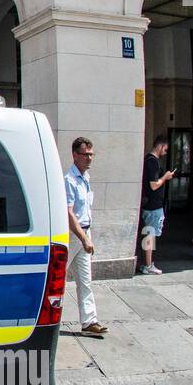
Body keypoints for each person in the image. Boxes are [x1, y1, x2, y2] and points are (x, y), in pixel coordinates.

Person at [65, 137, 108, 336]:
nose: (89, 158)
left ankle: (89, 322)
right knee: (53, 280)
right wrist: (84, 238)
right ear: (75, 155)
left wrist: (86, 236)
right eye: (85, 154)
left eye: (91, 154)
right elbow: (69, 213)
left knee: (85, 281)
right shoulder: (69, 181)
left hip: (84, 233)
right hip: (72, 236)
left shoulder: (85, 178)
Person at [139, 134, 174, 276]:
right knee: (150, 235)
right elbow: (154, 185)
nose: (165, 153)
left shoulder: (148, 159)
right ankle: (148, 265)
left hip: (150, 204)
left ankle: (147, 263)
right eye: (165, 149)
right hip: (153, 205)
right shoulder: (153, 162)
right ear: (160, 146)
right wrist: (165, 177)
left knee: (148, 234)